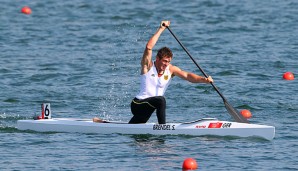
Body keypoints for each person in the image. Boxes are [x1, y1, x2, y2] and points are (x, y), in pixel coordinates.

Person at [129, 21, 213, 124]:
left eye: (168, 62)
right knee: (161, 100)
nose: (166, 64)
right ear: (157, 59)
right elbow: (148, 47)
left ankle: (107, 124)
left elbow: (187, 76)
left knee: (136, 128)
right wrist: (161, 29)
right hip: (138, 104)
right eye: (164, 61)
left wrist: (204, 80)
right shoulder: (148, 66)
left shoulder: (170, 69)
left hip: (150, 107)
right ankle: (163, 129)